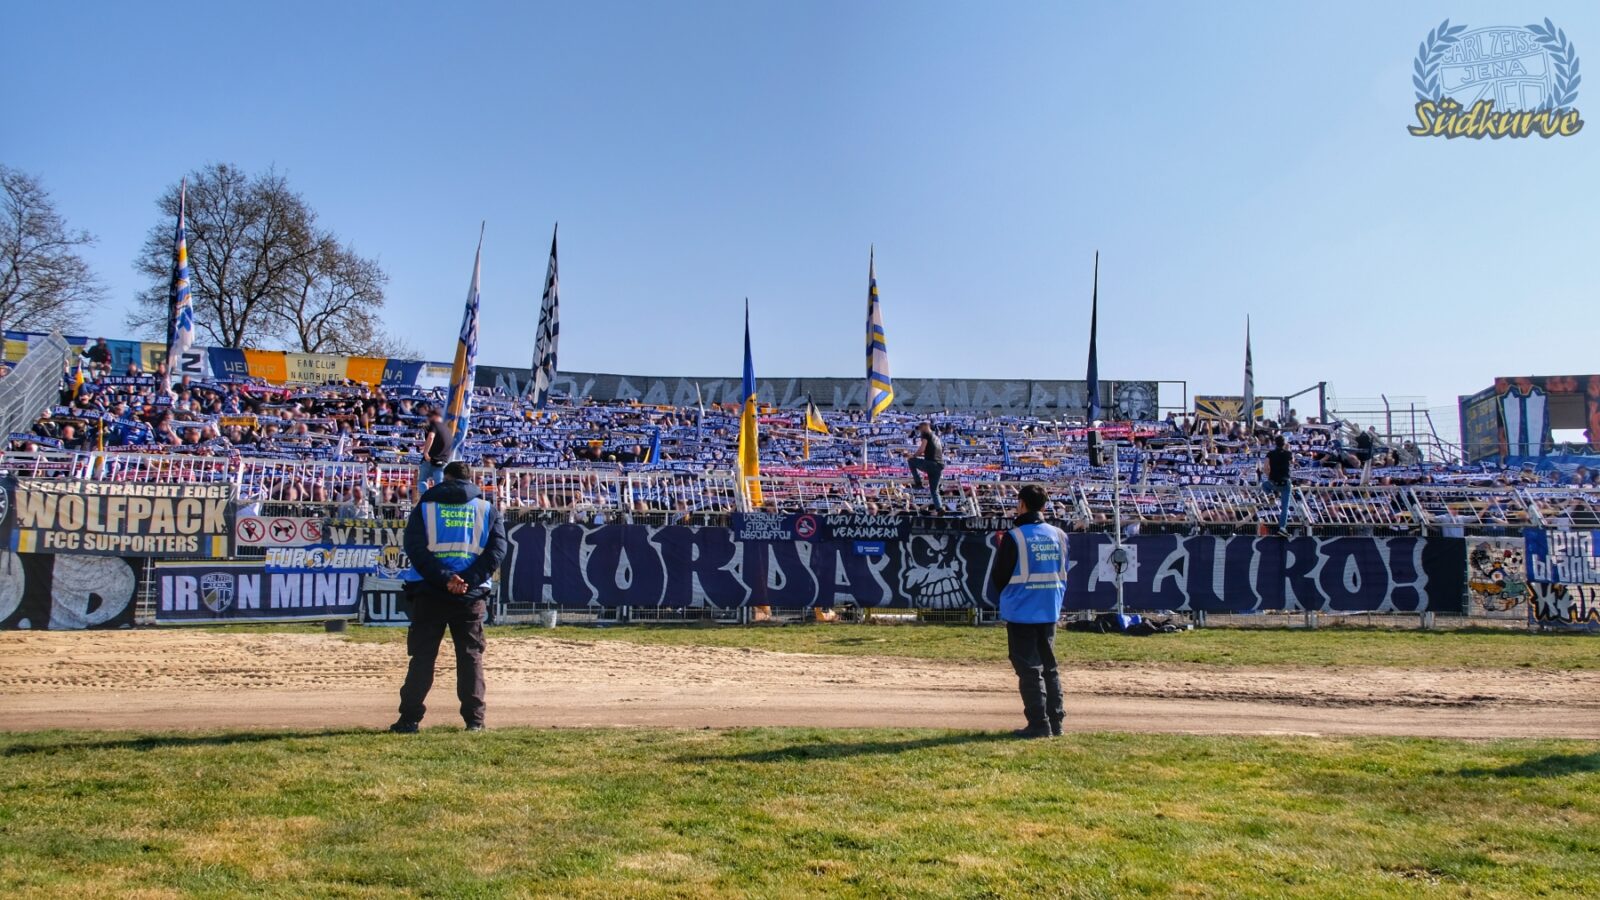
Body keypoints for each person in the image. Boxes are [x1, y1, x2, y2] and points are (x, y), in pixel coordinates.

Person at [391, 461, 507, 733]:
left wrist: (445, 578)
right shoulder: (487, 509)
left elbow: (415, 549)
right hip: (470, 595)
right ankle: (474, 721)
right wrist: (467, 580)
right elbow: (497, 552)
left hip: (429, 592)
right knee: (470, 658)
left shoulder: (425, 508)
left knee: (422, 658)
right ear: (470, 480)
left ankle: (409, 720)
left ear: (446, 479)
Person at [988, 484, 1069, 739]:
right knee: (1049, 667)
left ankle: (1038, 724)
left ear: (1021, 504)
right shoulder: (1059, 534)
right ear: (1044, 506)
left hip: (1022, 609)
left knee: (1029, 669)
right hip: (1049, 607)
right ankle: (1056, 723)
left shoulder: (1015, 536)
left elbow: (1000, 576)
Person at [906, 422, 946, 512]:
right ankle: (939, 508)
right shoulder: (937, 438)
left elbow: (922, 449)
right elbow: (932, 452)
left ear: (925, 427)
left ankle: (918, 483)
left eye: (920, 428)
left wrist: (913, 456)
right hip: (939, 466)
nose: (920, 431)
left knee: (910, 461)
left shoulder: (926, 435)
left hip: (931, 464)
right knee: (934, 490)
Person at [1262, 434, 1294, 535]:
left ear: (1275, 443)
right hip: (1285, 483)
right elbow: (1292, 462)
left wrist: (1270, 477)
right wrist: (1288, 450)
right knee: (1285, 507)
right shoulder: (1288, 453)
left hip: (1274, 482)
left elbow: (1265, 468)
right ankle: (1282, 527)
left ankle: (1271, 494)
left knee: (1264, 485)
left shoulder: (1270, 454)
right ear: (1284, 443)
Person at [419, 407, 451, 489]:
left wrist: (426, 452)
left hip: (430, 460)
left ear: (435, 416)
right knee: (439, 486)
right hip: (443, 461)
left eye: (430, 416)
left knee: (422, 482)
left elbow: (431, 437)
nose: (428, 418)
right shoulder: (448, 429)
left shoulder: (435, 425)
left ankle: (425, 496)